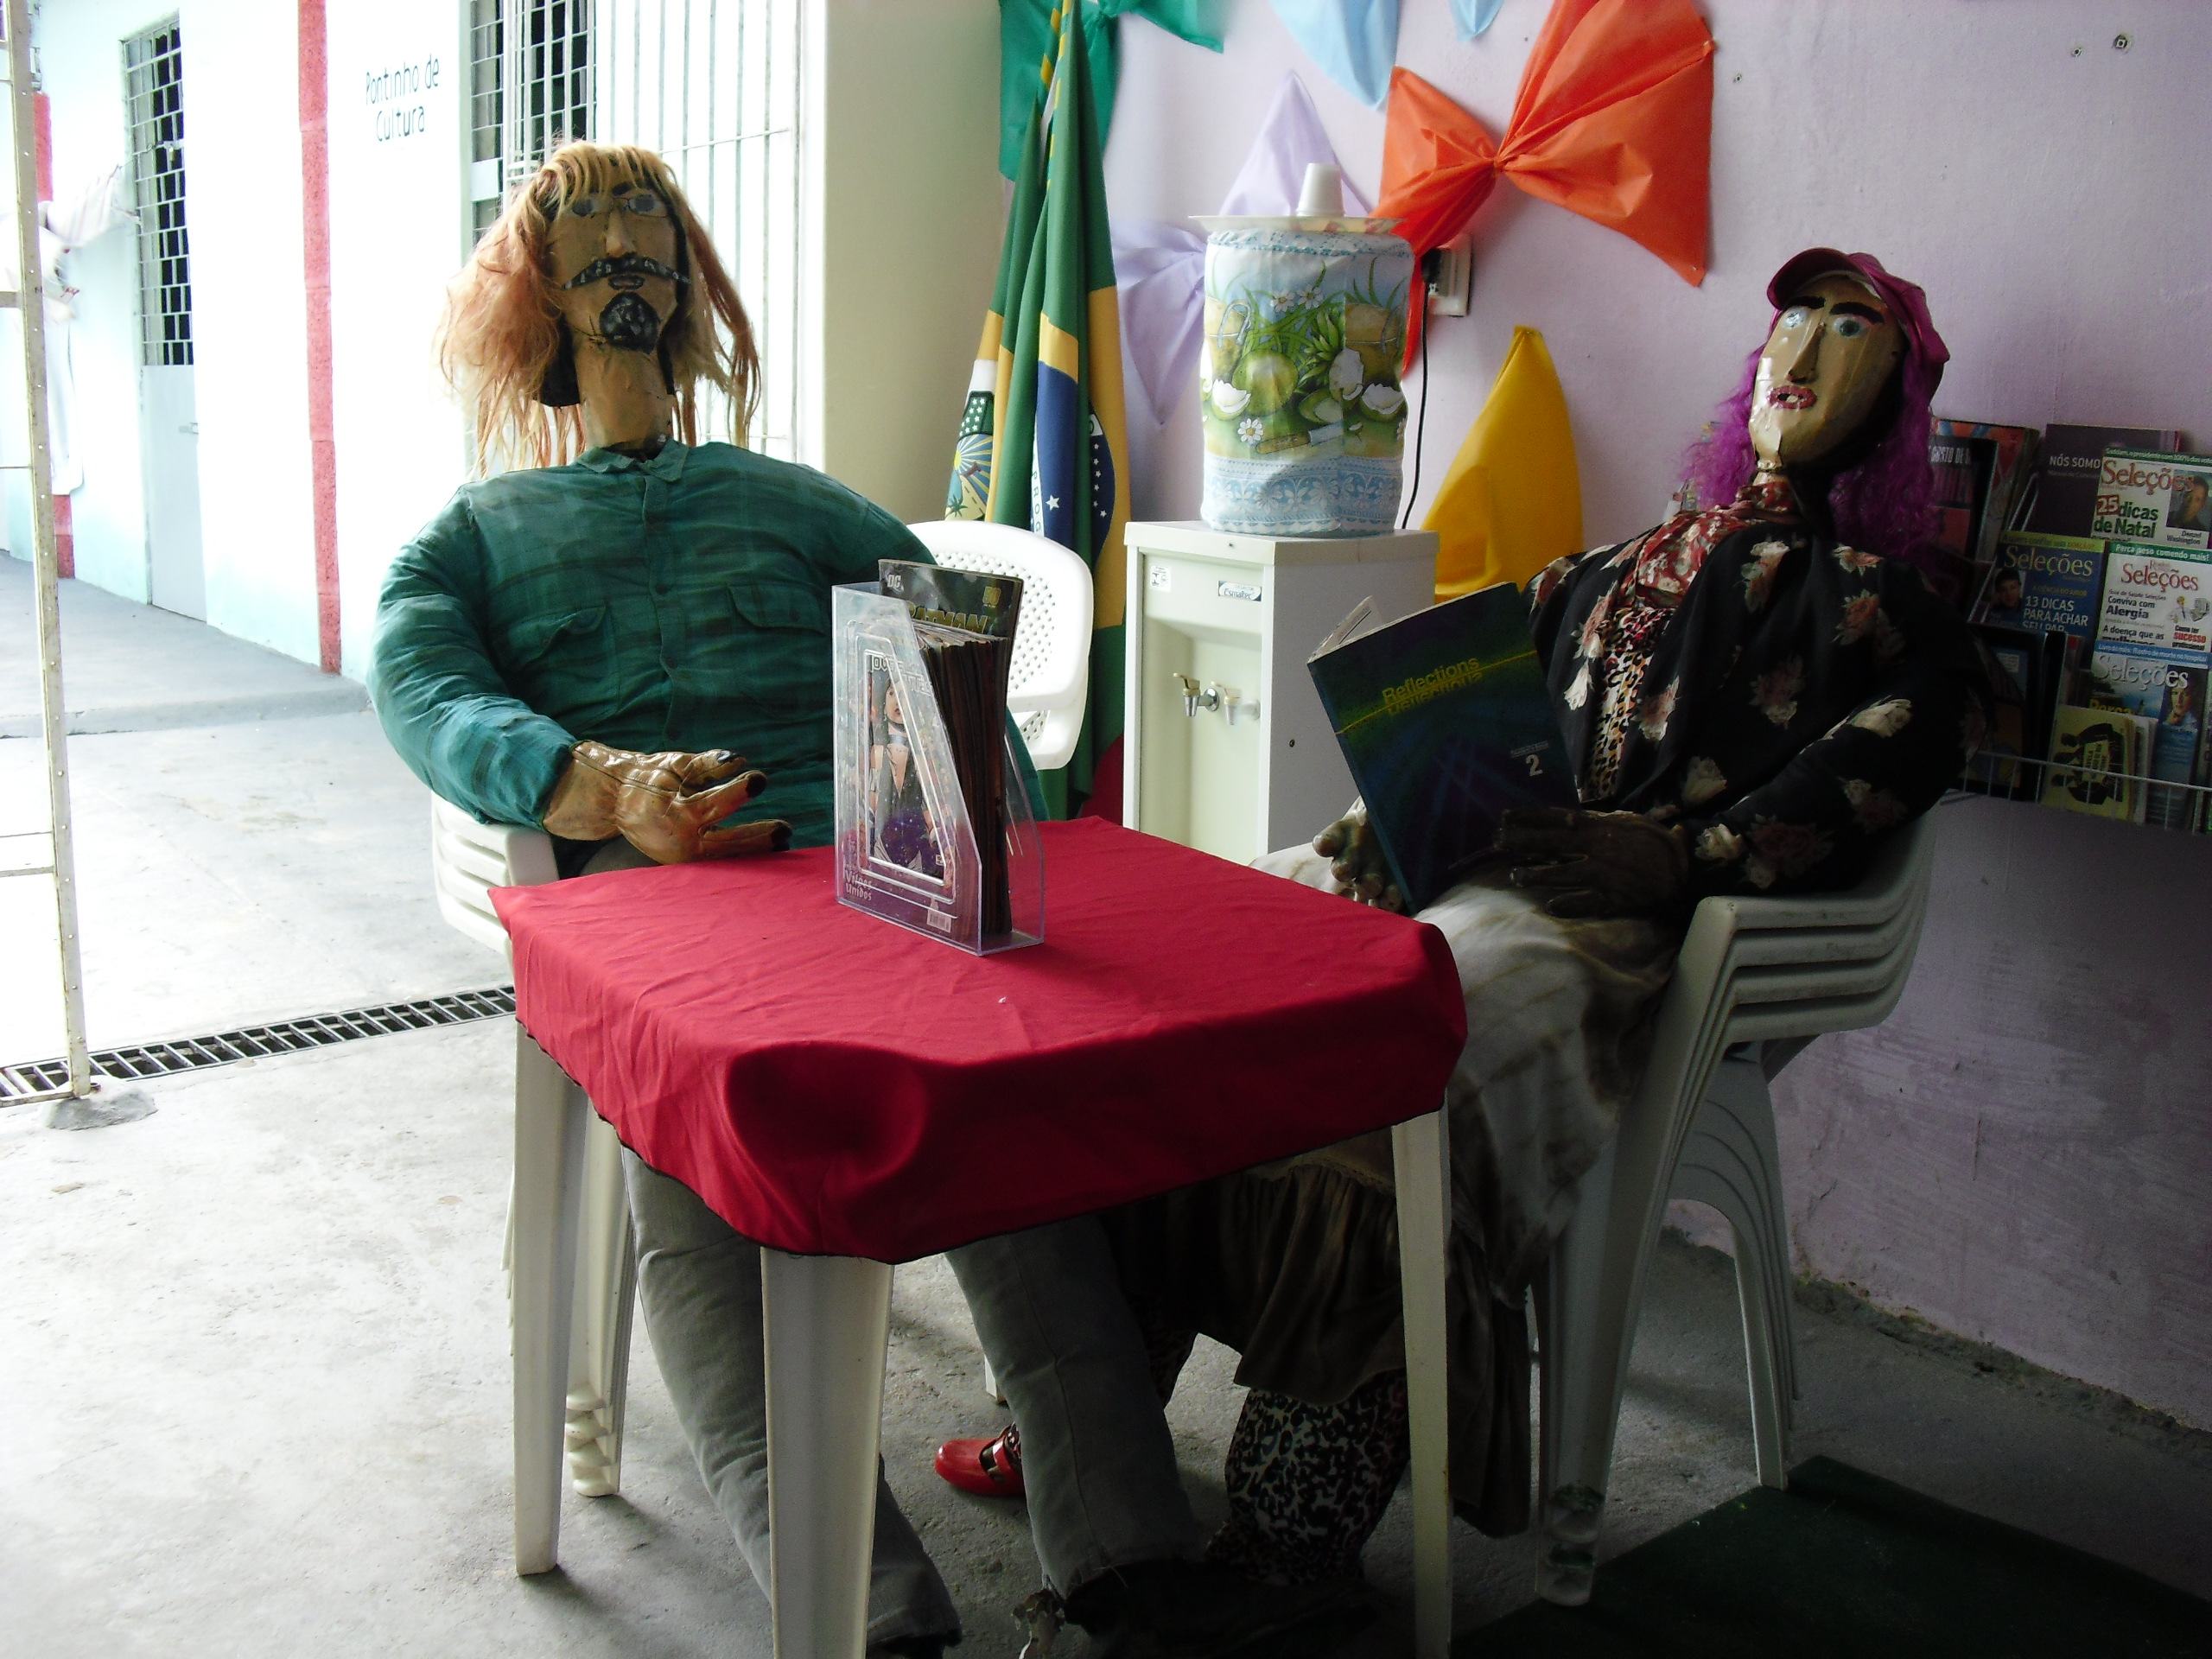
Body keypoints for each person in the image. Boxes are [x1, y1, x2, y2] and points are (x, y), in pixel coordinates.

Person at [369, 141, 1369, 1658]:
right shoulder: (476, 535)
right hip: (652, 918)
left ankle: (1129, 1559)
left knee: (1008, 1142)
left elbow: (947, 665)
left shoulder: (805, 507)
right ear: (540, 296)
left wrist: (986, 857)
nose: (623, 255)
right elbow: (422, 680)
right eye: (588, 238)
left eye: (648, 231)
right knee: (703, 1191)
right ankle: (863, 1609)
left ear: (689, 282)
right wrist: (593, 784)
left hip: (868, 888)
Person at [947, 250, 1990, 1586]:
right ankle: (1087, 1441)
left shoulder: (1893, 618)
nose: (1805, 349)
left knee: (1398, 1062)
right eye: (1792, 319)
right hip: (1454, 865)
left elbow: (1884, 767)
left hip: (1598, 926)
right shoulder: (1608, 566)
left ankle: (1283, 1548)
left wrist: (1690, 855)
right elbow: (1473, 717)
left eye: (1851, 330)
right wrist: (1381, 823)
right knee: (1190, 975)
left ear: (1897, 398)